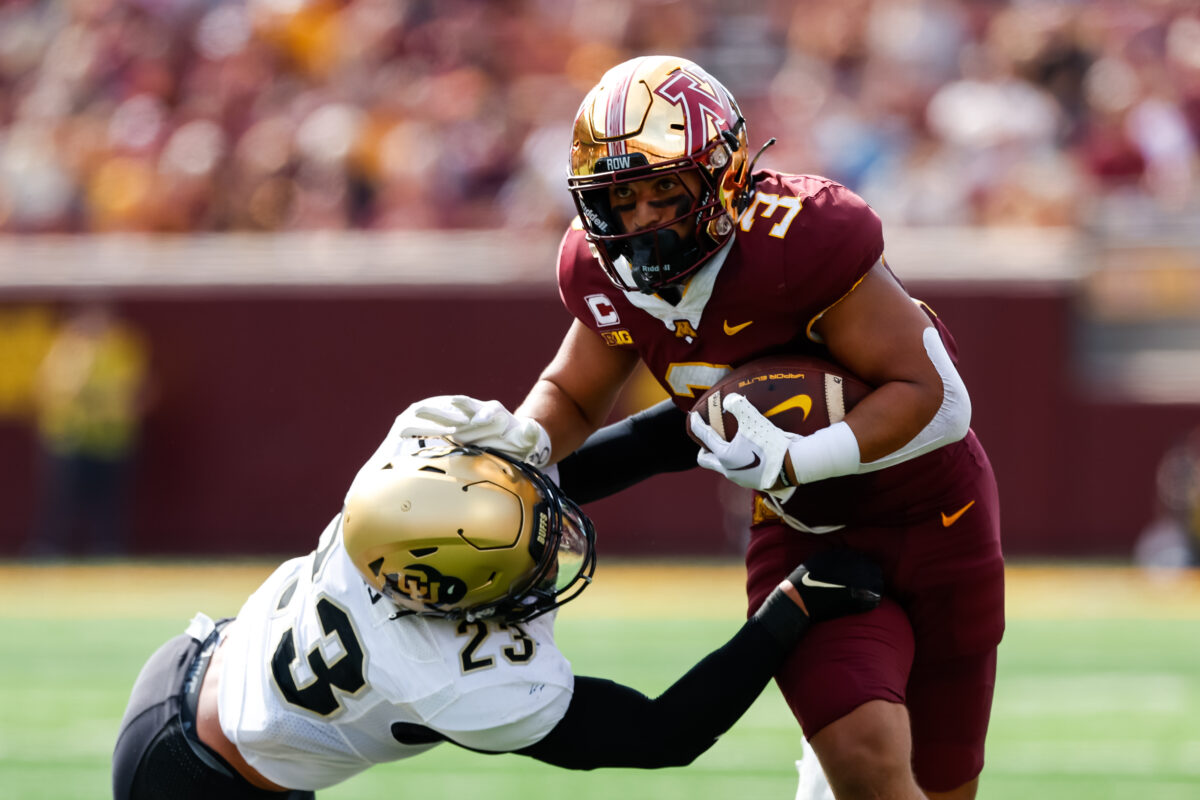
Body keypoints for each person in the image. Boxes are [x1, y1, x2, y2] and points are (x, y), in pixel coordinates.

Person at [398, 55, 1004, 800]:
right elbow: (575, 397)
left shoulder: (798, 242)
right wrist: (520, 457)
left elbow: (941, 400)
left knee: (946, 784)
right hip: (806, 533)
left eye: (663, 189)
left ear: (723, 176)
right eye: (620, 196)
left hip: (938, 515)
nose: (642, 218)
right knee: (870, 764)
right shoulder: (600, 270)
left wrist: (803, 455)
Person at [111, 420, 884, 800]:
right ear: (456, 602)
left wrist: (700, 422)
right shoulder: (449, 678)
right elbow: (661, 735)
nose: (552, 549)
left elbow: (548, 477)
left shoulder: (404, 503)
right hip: (204, 781)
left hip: (201, 670)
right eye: (530, 555)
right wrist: (791, 610)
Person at [27, 302, 152, 557]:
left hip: (110, 439)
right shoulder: (66, 349)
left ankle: (108, 549)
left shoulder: (120, 347)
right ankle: (51, 548)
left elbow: (139, 389)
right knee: (62, 499)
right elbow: (48, 388)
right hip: (69, 438)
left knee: (108, 502)